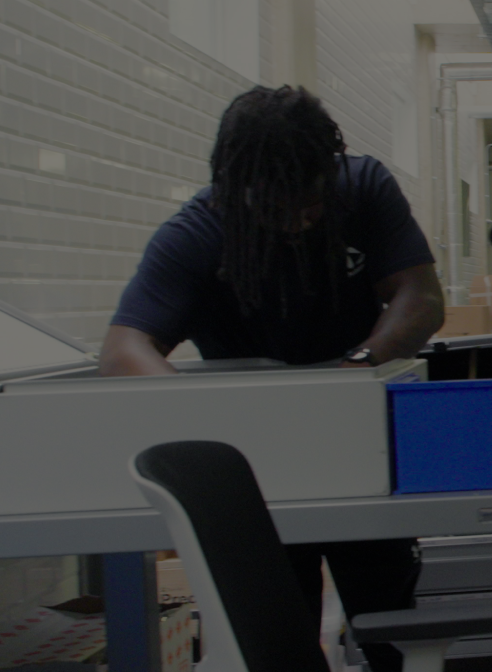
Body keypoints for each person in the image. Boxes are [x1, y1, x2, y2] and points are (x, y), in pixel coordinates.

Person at [100, 86, 445, 672]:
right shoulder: (199, 233)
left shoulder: (362, 189)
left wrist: (353, 369)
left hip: (356, 446)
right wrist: (211, 419)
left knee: (389, 627)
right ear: (240, 191)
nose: (302, 220)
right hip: (256, 470)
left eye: (311, 202)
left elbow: (421, 297)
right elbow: (124, 348)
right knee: (278, 641)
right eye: (281, 209)